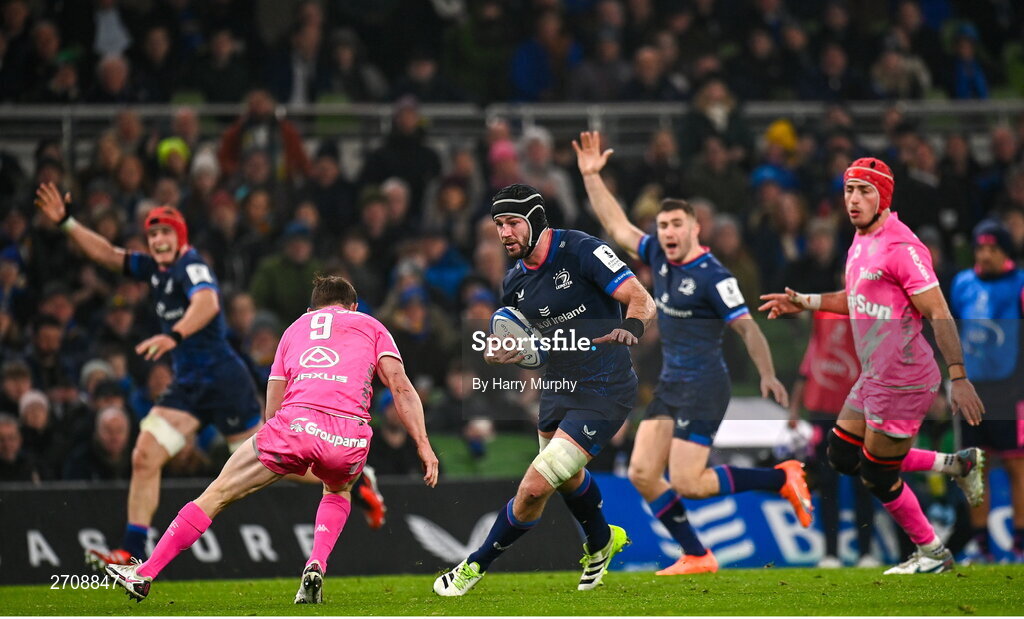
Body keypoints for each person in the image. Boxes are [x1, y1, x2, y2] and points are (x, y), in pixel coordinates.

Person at [106, 274, 438, 603]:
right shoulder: (372, 325)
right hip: (348, 434)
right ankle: (316, 564)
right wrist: (423, 444)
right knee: (338, 489)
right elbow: (400, 386)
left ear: (312, 309)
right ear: (353, 306)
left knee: (218, 493)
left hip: (295, 421)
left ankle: (145, 572)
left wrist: (287, 444)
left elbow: (273, 406)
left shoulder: (294, 329)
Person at [574, 131, 809, 576]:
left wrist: (767, 373)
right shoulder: (659, 259)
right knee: (643, 473)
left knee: (689, 482)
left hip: (705, 386)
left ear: (695, 227)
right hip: (672, 384)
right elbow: (620, 226)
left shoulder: (713, 276)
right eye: (663, 226)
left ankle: (783, 477)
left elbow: (747, 329)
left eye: (676, 225)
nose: (668, 233)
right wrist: (591, 177)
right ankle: (698, 555)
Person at [759, 157, 986, 574]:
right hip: (874, 374)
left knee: (878, 477)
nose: (854, 199)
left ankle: (934, 553)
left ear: (883, 195)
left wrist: (959, 377)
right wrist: (804, 301)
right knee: (842, 455)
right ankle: (959, 464)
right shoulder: (861, 239)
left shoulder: (903, 247)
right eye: (849, 190)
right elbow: (855, 297)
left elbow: (938, 311)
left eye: (865, 190)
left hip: (904, 377)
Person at [433, 184, 656, 596]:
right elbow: (532, 347)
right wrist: (505, 354)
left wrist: (631, 327)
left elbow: (641, 298)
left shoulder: (583, 251)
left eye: (512, 222)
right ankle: (603, 541)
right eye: (498, 224)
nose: (504, 232)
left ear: (535, 220)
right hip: (560, 387)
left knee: (536, 484)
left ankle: (473, 565)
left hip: (606, 387)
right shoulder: (514, 283)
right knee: (566, 478)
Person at [34, 182, 263, 567]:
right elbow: (108, 254)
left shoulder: (190, 264)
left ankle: (351, 478)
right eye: (152, 233)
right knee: (144, 456)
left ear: (180, 237)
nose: (157, 239)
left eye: (165, 232)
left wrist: (175, 334)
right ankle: (132, 550)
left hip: (224, 381)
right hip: (189, 386)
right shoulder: (154, 269)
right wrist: (68, 223)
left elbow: (206, 303)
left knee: (272, 463)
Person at [950, 220, 1024, 562]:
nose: (985, 254)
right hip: (973, 391)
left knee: (1017, 466)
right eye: (981, 248)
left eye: (993, 249)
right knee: (974, 468)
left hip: (1013, 390)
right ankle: (981, 547)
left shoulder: (1020, 284)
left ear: (1006, 253)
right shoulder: (963, 284)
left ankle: (1019, 545)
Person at [789, 310, 878, 567]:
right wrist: (795, 406)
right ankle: (830, 554)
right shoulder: (822, 314)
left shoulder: (869, 314)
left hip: (858, 410)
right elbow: (811, 357)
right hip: (822, 412)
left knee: (864, 482)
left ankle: (865, 553)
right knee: (827, 483)